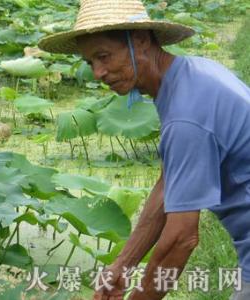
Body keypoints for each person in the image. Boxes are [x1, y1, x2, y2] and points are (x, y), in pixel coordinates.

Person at [38, 0, 250, 299]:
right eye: (90, 63)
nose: (98, 73)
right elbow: (168, 186)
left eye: (104, 56)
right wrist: (123, 265)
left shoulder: (186, 114)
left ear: (139, 40)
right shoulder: (191, 74)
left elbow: (182, 238)